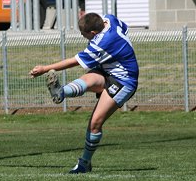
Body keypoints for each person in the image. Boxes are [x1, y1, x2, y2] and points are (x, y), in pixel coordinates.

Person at [29, 12, 139, 174]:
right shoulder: (110, 20)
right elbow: (123, 27)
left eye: (84, 34)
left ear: (93, 33)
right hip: (108, 71)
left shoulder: (102, 43)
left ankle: (85, 163)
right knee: (88, 80)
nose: (83, 37)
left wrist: (45, 68)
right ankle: (61, 92)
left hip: (124, 81)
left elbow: (74, 61)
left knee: (95, 123)